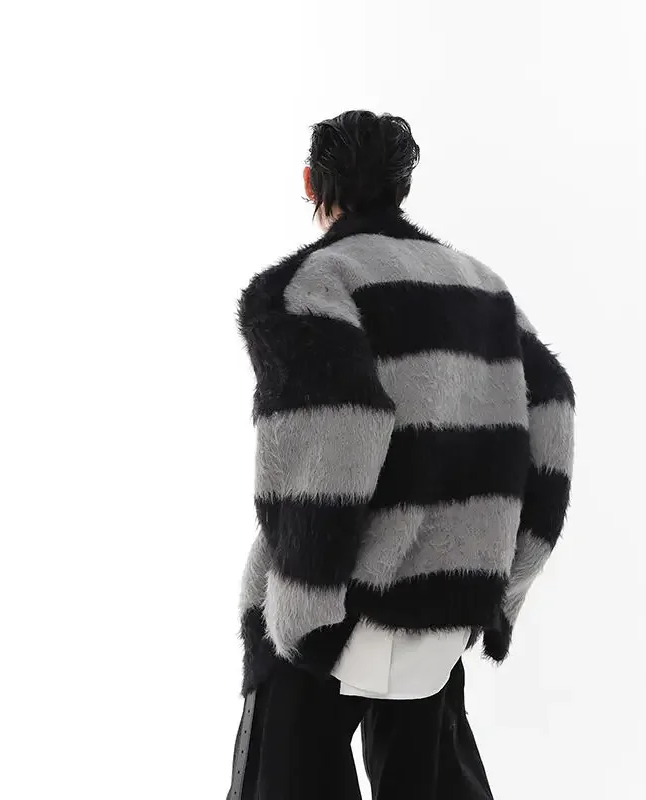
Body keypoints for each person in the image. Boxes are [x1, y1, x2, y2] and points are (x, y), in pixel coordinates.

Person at [226, 110, 575, 799]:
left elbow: (335, 438)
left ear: (310, 183)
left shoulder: (309, 286)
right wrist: (496, 589)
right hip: (441, 622)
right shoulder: (484, 289)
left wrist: (302, 619)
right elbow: (554, 416)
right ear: (401, 185)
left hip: (332, 613)